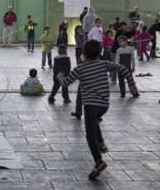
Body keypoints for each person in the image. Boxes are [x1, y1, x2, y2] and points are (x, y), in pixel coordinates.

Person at [57, 40, 139, 179]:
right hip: (104, 106)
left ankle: (98, 161)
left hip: (90, 105)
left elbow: (66, 83)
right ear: (99, 53)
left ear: (83, 54)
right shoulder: (104, 64)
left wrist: (59, 76)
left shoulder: (80, 68)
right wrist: (131, 84)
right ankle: (101, 144)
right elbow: (123, 69)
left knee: (90, 135)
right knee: (94, 120)